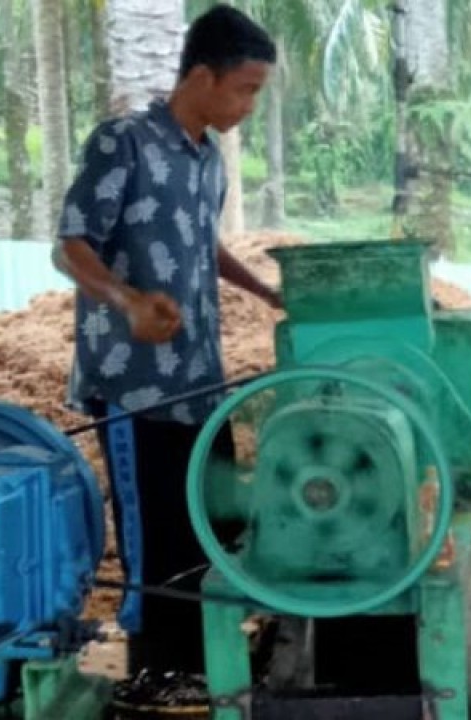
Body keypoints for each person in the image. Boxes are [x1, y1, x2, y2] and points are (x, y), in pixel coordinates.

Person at [50, 3, 279, 690]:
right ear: (202, 76)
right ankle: (153, 671)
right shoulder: (122, 142)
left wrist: (266, 292)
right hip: (133, 384)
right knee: (153, 538)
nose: (249, 105)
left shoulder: (208, 159)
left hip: (199, 381)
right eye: (245, 89)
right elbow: (70, 245)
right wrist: (128, 302)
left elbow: (202, 244)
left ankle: (200, 663)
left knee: (208, 524)